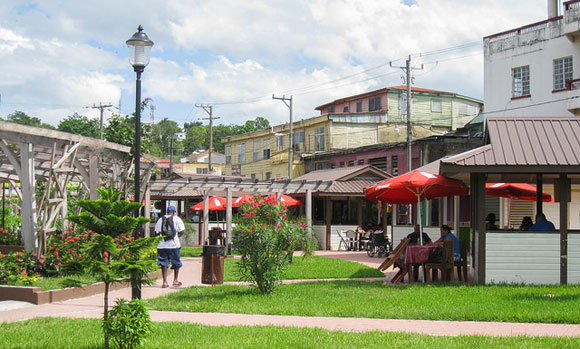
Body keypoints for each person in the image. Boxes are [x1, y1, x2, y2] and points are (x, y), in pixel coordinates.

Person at [155, 205, 185, 288]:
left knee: (163, 263)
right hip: (174, 245)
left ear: (167, 211)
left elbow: (156, 231)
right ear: (174, 212)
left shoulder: (160, 219)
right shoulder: (177, 219)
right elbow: (182, 231)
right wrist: (176, 237)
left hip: (162, 245)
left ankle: (164, 282)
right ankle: (175, 280)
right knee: (176, 262)